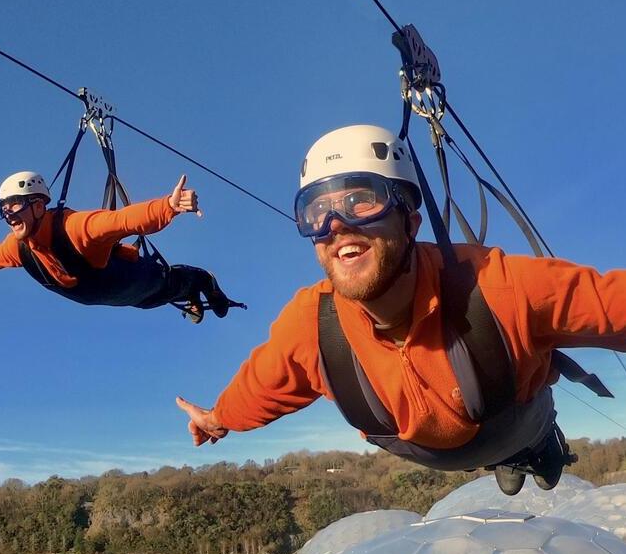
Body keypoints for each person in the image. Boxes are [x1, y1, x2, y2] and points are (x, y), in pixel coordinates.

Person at [176, 124, 626, 494]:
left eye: (361, 201)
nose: (336, 225)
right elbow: (261, 385)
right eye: (316, 212)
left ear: (409, 221)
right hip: (437, 450)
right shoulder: (313, 328)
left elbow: (612, 302)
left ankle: (535, 446)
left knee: (517, 427)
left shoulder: (497, 287)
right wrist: (217, 419)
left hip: (516, 422)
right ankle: (506, 457)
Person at [0, 171, 237, 321]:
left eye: (15, 206)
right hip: (122, 297)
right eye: (3, 209)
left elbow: (122, 220)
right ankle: (190, 295)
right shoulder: (18, 247)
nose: (9, 215)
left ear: (39, 205)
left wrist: (168, 206)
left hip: (135, 278)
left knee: (169, 284)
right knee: (149, 302)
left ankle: (204, 281)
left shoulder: (75, 228)